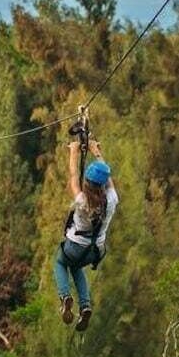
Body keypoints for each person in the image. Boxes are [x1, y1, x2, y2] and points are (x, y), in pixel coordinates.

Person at [53, 138, 116, 331]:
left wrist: (73, 151)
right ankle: (85, 305)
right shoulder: (112, 200)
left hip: (75, 246)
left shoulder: (82, 201)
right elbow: (107, 177)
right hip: (96, 250)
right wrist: (95, 151)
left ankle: (65, 296)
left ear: (87, 184)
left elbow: (73, 175)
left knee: (60, 262)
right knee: (77, 268)